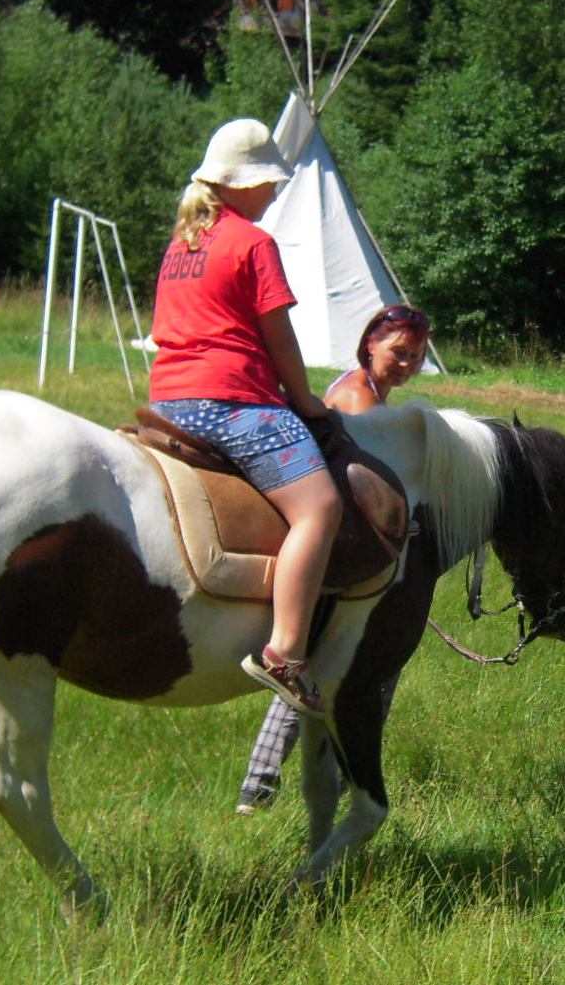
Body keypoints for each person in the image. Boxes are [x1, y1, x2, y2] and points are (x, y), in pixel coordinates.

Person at [150, 117, 341, 717]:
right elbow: (279, 337)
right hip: (230, 400)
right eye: (270, 181)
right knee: (320, 507)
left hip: (167, 399)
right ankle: (284, 652)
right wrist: (305, 400)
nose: (276, 191)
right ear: (242, 182)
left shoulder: (184, 243)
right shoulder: (253, 243)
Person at [235, 304, 431, 815]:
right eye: (398, 352)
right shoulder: (358, 400)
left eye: (416, 356)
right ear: (370, 344)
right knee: (327, 654)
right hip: (333, 544)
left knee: (318, 659)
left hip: (338, 538)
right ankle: (268, 783)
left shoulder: (371, 394)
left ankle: (265, 783)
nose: (407, 364)